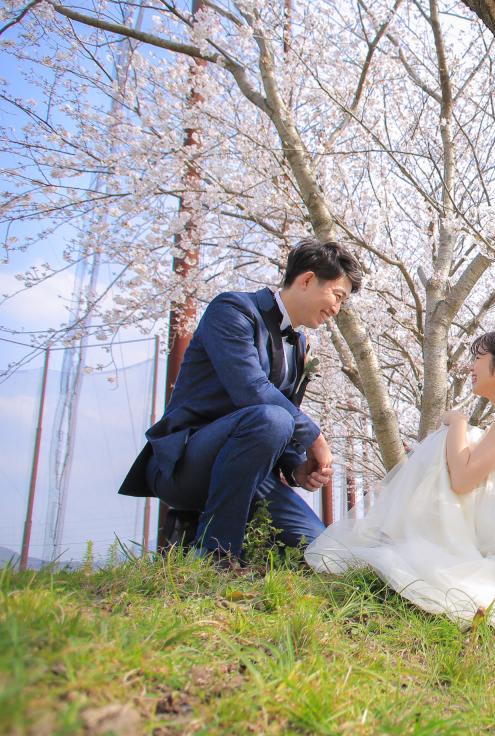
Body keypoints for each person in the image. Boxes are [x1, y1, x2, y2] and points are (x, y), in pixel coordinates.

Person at [305, 326, 495, 648]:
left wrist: (458, 423)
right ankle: (408, 536)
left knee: (454, 437)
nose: (471, 367)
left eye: (479, 358)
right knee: (462, 440)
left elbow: (462, 481)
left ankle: (403, 535)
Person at [119, 239, 364, 565]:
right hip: (188, 461)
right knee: (273, 419)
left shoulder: (298, 345)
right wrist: (314, 437)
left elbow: (280, 419)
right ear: (307, 280)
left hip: (250, 474)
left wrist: (296, 468)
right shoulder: (233, 310)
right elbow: (251, 391)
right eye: (338, 296)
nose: (337, 308)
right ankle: (216, 555)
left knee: (319, 552)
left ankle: (199, 532)